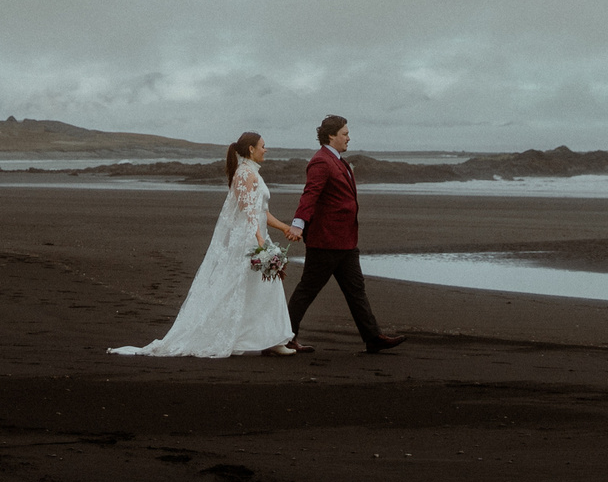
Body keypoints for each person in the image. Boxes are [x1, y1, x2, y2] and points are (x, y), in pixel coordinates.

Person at [110, 131, 306, 358]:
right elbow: (247, 210)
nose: (266, 149)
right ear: (251, 149)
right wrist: (260, 239)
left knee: (266, 286)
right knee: (237, 286)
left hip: (256, 236)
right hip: (247, 240)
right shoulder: (244, 174)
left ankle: (272, 339)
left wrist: (282, 227)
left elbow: (262, 211)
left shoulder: (253, 173)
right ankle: (244, 336)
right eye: (263, 145)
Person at [286, 114, 405, 354]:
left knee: (355, 289)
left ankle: (373, 338)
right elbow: (310, 194)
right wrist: (298, 223)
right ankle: (285, 336)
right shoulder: (321, 161)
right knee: (307, 290)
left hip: (346, 241)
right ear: (331, 136)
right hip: (326, 241)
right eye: (345, 134)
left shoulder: (338, 160)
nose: (349, 138)